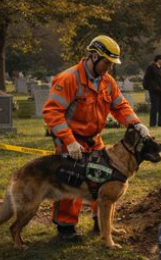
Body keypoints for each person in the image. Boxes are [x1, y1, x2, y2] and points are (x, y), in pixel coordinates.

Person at [43, 35, 149, 242]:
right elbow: (52, 112)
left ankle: (101, 224)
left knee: (104, 178)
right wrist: (69, 141)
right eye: (106, 62)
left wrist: (135, 123)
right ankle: (66, 227)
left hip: (94, 140)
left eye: (111, 64)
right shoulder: (69, 78)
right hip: (71, 141)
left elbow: (119, 106)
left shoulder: (107, 82)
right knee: (71, 182)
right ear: (93, 56)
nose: (108, 67)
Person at [143, 54, 161, 127]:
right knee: (155, 107)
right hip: (154, 91)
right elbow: (148, 79)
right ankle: (153, 123)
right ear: (158, 60)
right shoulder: (151, 67)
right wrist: (155, 87)